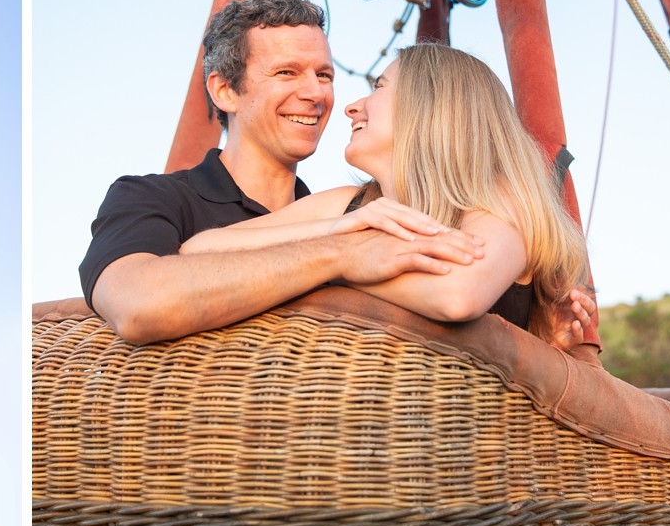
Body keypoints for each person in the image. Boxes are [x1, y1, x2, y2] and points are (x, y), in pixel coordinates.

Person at [80, 0, 596, 347]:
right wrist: (344, 251)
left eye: (324, 74)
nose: (323, 95)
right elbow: (146, 295)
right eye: (286, 72)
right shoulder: (151, 199)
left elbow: (462, 294)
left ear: (433, 114)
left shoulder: (342, 208)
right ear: (224, 90)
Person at [179, 43, 588, 342]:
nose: (351, 106)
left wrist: (337, 265)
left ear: (429, 106)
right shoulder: (349, 206)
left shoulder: (503, 207)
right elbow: (199, 251)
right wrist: (342, 237)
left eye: (378, 86)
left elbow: (456, 295)